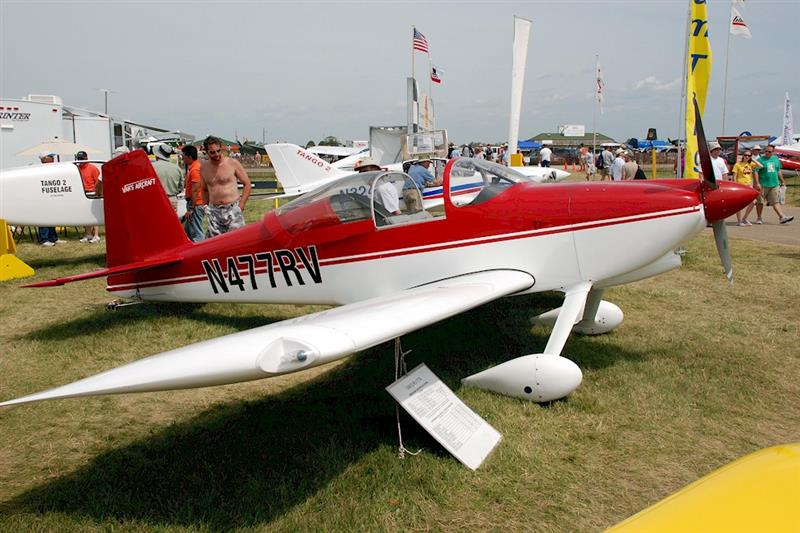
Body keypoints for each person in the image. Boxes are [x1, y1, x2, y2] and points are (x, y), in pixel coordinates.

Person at [200, 135, 252, 237]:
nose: (216, 154)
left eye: (218, 151)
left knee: (237, 240)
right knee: (214, 244)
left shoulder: (232, 163)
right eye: (212, 152)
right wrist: (205, 206)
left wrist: (241, 206)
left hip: (232, 209)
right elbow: (204, 189)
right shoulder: (204, 167)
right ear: (206, 152)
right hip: (214, 211)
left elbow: (247, 184)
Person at [754, 145, 793, 224]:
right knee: (760, 202)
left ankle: (782, 217)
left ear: (773, 152)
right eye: (766, 151)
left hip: (774, 184)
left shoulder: (775, 159)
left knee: (775, 201)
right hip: (763, 185)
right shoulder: (760, 160)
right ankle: (759, 218)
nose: (767, 153)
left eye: (769, 151)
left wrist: (782, 181)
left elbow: (778, 171)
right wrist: (757, 183)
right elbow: (756, 172)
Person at [36, 152, 63, 246]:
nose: (53, 158)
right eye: (50, 157)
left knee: (52, 217)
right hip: (42, 199)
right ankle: (43, 239)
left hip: (51, 198)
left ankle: (53, 238)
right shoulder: (39, 170)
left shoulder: (53, 168)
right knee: (43, 218)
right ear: (44, 159)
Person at [76, 151, 101, 243]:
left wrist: (98, 193)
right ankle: (88, 234)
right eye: (79, 159)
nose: (80, 161)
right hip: (82, 193)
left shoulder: (93, 168)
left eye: (82, 159)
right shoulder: (77, 169)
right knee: (85, 215)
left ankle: (96, 235)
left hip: (93, 193)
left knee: (94, 215)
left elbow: (98, 182)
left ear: (86, 158)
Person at [181, 145, 205, 242]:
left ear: (189, 157)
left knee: (196, 233)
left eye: (183, 156)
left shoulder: (195, 170)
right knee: (189, 231)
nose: (182, 158)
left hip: (195, 204)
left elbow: (195, 190)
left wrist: (191, 208)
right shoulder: (194, 167)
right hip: (195, 203)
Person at [151, 144, 185, 213]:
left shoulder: (151, 167)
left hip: (156, 199)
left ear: (157, 154)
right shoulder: (177, 169)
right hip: (172, 199)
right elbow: (181, 188)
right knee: (171, 223)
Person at [731, 150, 761, 225]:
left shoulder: (751, 164)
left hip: (749, 186)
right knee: (739, 203)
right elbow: (734, 176)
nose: (747, 157)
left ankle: (744, 218)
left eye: (749, 155)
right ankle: (739, 221)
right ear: (743, 155)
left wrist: (753, 159)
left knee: (753, 202)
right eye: (745, 155)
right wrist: (735, 185)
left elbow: (761, 166)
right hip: (740, 186)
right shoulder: (738, 164)